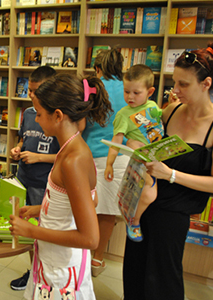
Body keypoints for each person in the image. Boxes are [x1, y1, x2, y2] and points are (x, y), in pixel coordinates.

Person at [123, 41, 213, 300]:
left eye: (183, 84)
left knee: (162, 279)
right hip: (144, 206)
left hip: (173, 215)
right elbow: (153, 154)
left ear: (206, 84)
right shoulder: (170, 112)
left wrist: (170, 174)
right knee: (134, 272)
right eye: (174, 82)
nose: (175, 90)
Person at [9, 73, 113, 299]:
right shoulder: (69, 148)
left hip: (64, 269)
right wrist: (40, 209)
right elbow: (81, 201)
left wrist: (31, 231)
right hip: (55, 260)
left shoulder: (73, 160)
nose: (35, 120)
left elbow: (90, 238)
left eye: (38, 114)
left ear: (57, 115)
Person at [9, 66, 60, 291]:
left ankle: (43, 275)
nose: (31, 95)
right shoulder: (29, 113)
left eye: (36, 90)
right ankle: (33, 273)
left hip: (43, 182)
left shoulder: (57, 117)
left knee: (42, 232)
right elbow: (23, 139)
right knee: (27, 230)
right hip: (23, 178)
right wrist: (17, 149)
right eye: (29, 90)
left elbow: (64, 155)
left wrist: (39, 157)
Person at [81, 47, 128, 277]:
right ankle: (97, 260)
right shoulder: (129, 89)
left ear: (97, 68)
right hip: (118, 156)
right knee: (107, 212)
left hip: (88, 154)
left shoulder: (90, 86)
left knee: (84, 207)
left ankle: (81, 255)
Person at [104, 64, 163, 242]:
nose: (130, 97)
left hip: (158, 156)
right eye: (126, 91)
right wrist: (109, 163)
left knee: (150, 193)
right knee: (150, 194)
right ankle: (133, 221)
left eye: (136, 93)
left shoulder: (153, 106)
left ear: (150, 91)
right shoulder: (123, 114)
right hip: (140, 160)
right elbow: (116, 141)